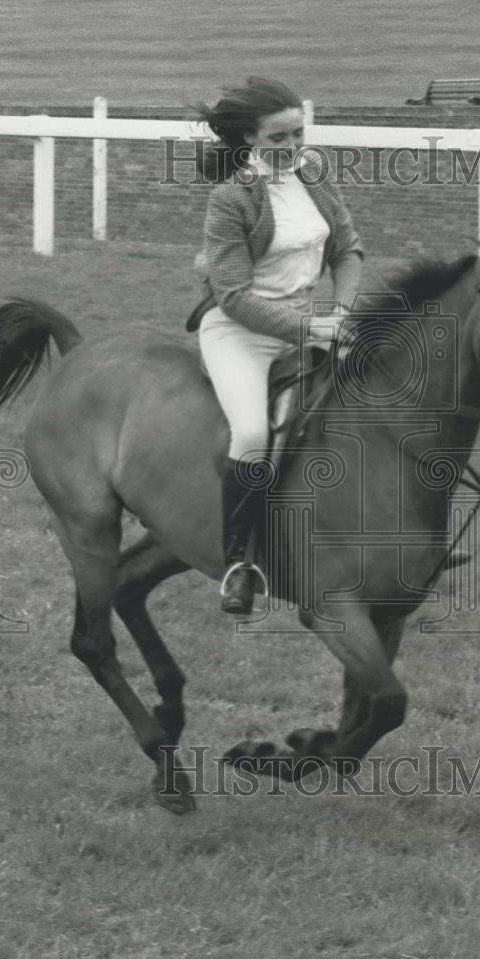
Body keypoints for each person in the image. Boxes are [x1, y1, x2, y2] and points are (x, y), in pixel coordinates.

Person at [189, 76, 364, 615]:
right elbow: (235, 297)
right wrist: (313, 331)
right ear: (248, 139)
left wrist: (341, 312)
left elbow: (348, 251)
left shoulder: (313, 177)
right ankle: (240, 565)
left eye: (298, 135)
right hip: (240, 333)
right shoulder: (230, 198)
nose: (291, 149)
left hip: (310, 323)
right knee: (253, 432)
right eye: (278, 140)